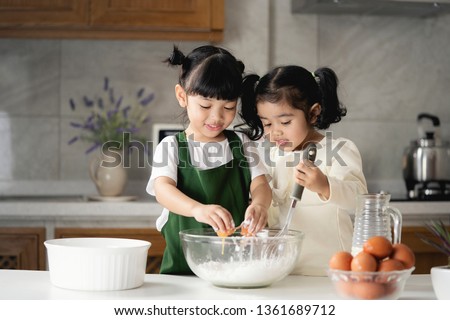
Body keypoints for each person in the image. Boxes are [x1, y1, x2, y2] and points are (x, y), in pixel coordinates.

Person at [147, 45, 271, 275]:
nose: (217, 116)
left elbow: (260, 184)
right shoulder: (173, 146)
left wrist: (260, 205)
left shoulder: (242, 144)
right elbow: (162, 190)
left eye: (228, 107)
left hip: (238, 270)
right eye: (205, 105)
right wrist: (197, 209)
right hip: (183, 272)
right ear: (182, 96)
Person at [239, 65, 368, 276]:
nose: (276, 132)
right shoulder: (273, 156)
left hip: (332, 273)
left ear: (313, 113)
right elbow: (273, 209)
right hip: (285, 273)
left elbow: (361, 200)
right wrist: (257, 213)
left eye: (285, 121)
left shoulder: (339, 149)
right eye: (267, 124)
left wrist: (325, 186)